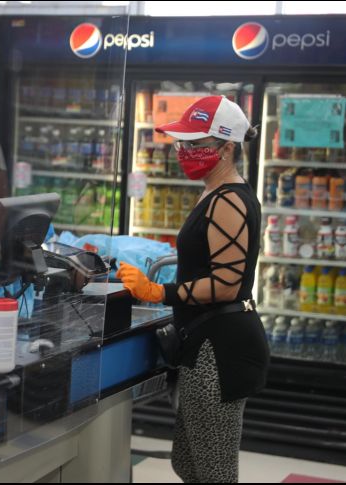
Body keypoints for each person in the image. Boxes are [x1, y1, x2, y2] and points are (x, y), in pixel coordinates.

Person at [117, 96, 269, 483]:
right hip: (202, 340)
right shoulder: (213, 192)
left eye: (197, 143)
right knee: (187, 462)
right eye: (183, 143)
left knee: (214, 470)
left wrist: (158, 292)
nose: (185, 151)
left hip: (219, 350)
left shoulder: (229, 200)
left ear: (228, 148)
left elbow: (226, 284)